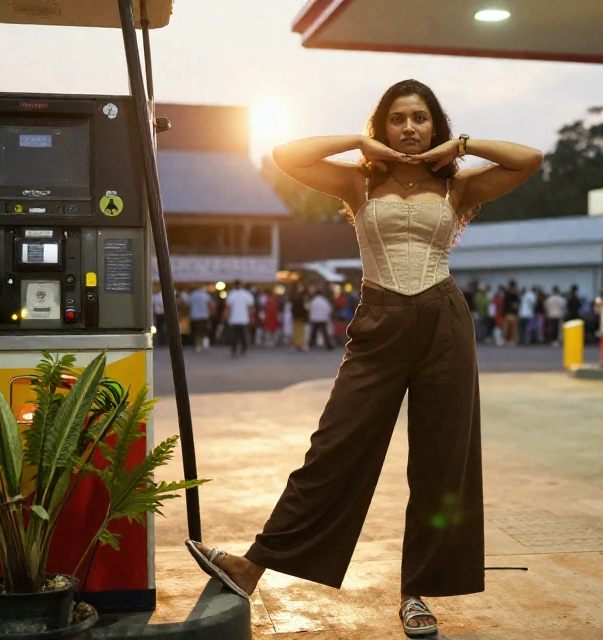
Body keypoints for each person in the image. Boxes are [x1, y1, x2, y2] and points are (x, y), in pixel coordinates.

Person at [185, 79, 541, 637]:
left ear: (434, 126)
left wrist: (462, 147)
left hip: (444, 321)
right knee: (334, 448)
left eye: (420, 118)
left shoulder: (457, 187)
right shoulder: (357, 180)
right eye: (397, 118)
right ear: (383, 126)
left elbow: (530, 160)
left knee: (441, 463)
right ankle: (252, 566)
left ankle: (416, 594)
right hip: (378, 322)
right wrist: (359, 142)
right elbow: (286, 156)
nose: (408, 128)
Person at [223, 280, 256, 357]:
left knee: (234, 335)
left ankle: (234, 349)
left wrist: (225, 317)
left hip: (234, 319)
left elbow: (227, 307)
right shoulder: (246, 294)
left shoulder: (231, 294)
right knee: (243, 334)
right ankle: (243, 348)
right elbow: (251, 306)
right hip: (243, 318)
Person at [189, 285, 213, 351]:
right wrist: (210, 313)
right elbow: (209, 305)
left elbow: (189, 305)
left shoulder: (192, 295)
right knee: (204, 332)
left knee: (196, 332)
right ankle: (205, 345)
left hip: (194, 316)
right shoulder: (205, 295)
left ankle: (197, 345)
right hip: (204, 316)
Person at [289, 283, 309, 352]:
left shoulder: (303, 296)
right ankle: (296, 344)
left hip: (300, 316)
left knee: (300, 331)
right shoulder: (301, 296)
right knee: (297, 331)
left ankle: (299, 344)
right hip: (297, 316)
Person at [502, 281, 520, 345]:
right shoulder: (508, 294)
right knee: (507, 327)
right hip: (509, 313)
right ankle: (506, 339)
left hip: (512, 313)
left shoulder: (515, 294)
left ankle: (511, 340)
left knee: (512, 328)